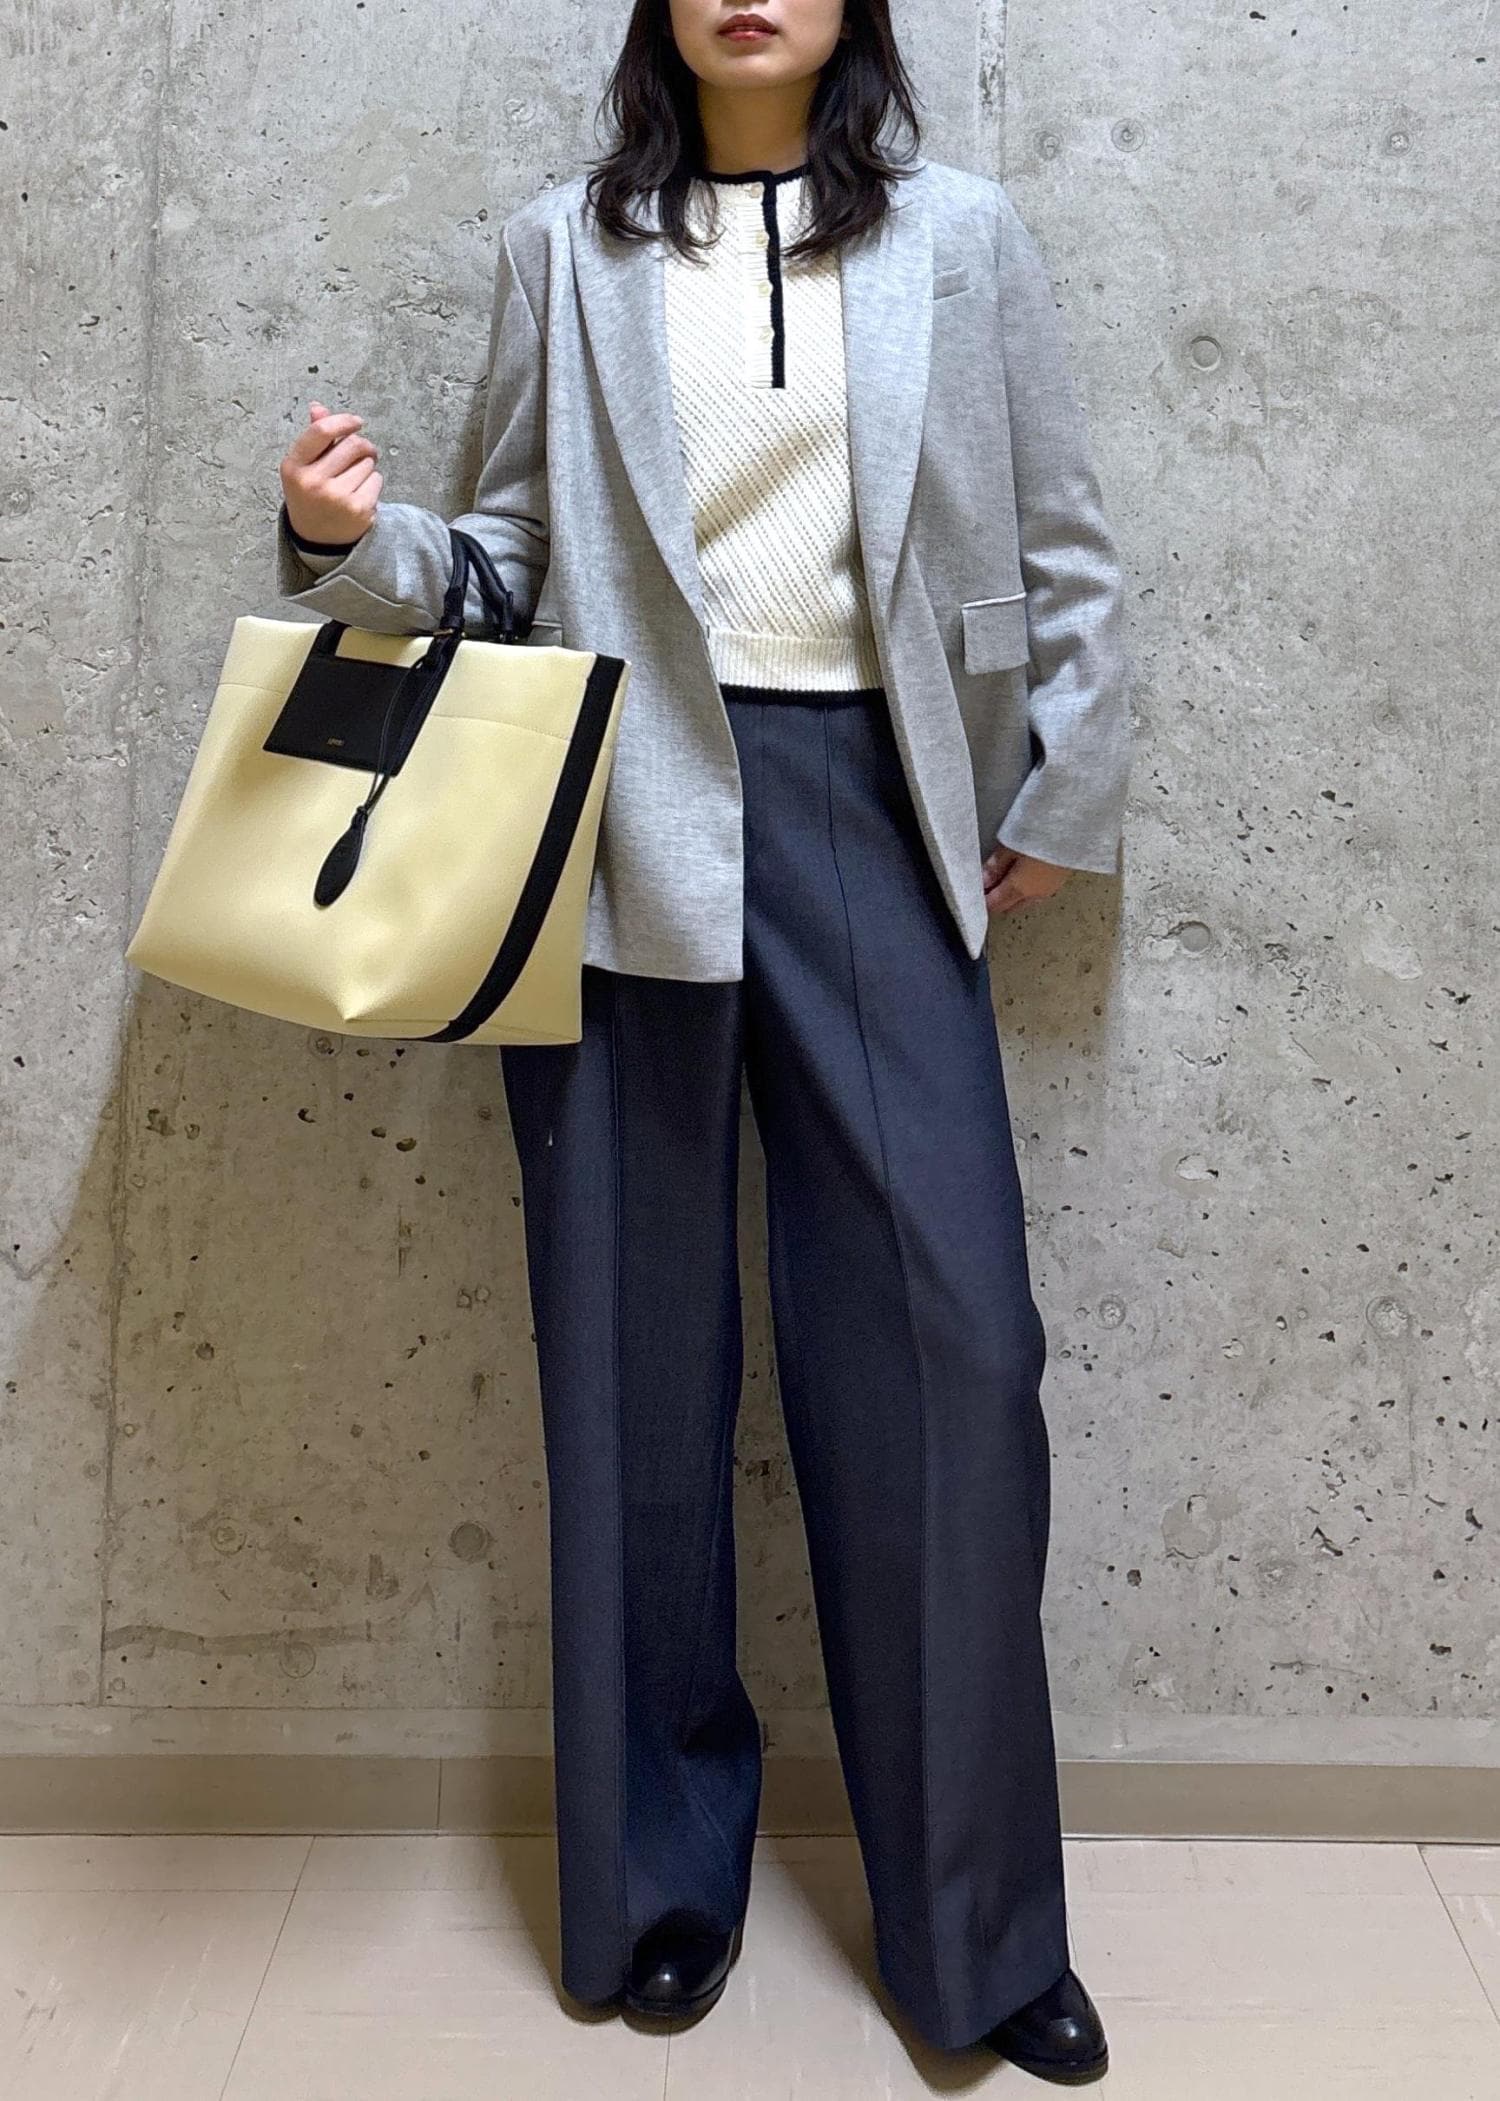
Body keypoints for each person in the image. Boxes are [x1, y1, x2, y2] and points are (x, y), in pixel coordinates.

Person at [275, 0, 1129, 2083]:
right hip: (615, 818)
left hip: (880, 813)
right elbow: (503, 557)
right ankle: (661, 1887)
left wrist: (1059, 786)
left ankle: (977, 1934)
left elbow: (1065, 545)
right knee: (632, 1361)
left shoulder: (962, 237)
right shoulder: (563, 246)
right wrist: (346, 545)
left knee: (952, 1357)